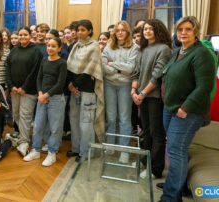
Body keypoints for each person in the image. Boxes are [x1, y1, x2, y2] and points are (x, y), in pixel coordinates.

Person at [157, 16, 215, 202]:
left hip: (187, 111)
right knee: (177, 150)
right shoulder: (178, 51)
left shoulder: (201, 54)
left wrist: (185, 107)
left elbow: (204, 86)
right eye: (180, 29)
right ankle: (177, 185)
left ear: (196, 31)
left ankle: (171, 197)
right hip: (170, 108)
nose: (183, 33)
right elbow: (166, 73)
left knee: (175, 150)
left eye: (188, 29)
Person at [131, 19, 172, 179]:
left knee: (156, 133)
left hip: (153, 97)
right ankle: (144, 161)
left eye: (150, 29)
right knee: (145, 131)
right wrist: (134, 91)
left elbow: (157, 76)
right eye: (145, 29)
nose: (146, 31)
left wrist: (142, 94)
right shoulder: (142, 49)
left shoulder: (164, 49)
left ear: (158, 30)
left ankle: (155, 169)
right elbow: (136, 72)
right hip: (140, 96)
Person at [23, 38, 67, 166]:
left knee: (55, 128)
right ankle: (36, 150)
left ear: (59, 48)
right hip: (42, 98)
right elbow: (39, 79)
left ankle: (52, 153)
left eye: (53, 46)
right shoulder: (44, 60)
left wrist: (46, 95)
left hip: (56, 99)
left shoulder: (62, 63)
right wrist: (41, 93)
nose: (50, 48)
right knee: (38, 125)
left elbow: (60, 83)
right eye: (48, 45)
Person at [66, 19, 104, 162]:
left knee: (86, 122)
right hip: (74, 89)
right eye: (78, 30)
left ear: (89, 31)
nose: (79, 32)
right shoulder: (76, 46)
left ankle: (86, 152)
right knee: (74, 120)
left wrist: (75, 84)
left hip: (87, 89)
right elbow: (69, 67)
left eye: (83, 30)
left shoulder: (94, 46)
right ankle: (76, 148)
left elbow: (90, 70)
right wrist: (71, 84)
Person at [102, 21, 139, 163]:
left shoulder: (134, 47)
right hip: (109, 84)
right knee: (111, 118)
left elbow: (131, 68)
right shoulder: (108, 46)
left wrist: (113, 65)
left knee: (124, 119)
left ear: (127, 32)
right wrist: (119, 69)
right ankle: (110, 146)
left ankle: (125, 151)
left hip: (125, 85)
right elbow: (103, 65)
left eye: (123, 30)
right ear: (114, 32)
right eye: (118, 30)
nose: (120, 33)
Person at [5, 26, 43, 156]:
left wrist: (24, 88)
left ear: (30, 36)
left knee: (25, 115)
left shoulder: (36, 51)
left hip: (28, 90)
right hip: (14, 90)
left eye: (25, 35)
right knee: (16, 114)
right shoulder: (14, 51)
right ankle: (22, 138)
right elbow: (7, 69)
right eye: (20, 35)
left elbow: (35, 72)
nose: (22, 37)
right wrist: (12, 86)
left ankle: (24, 142)